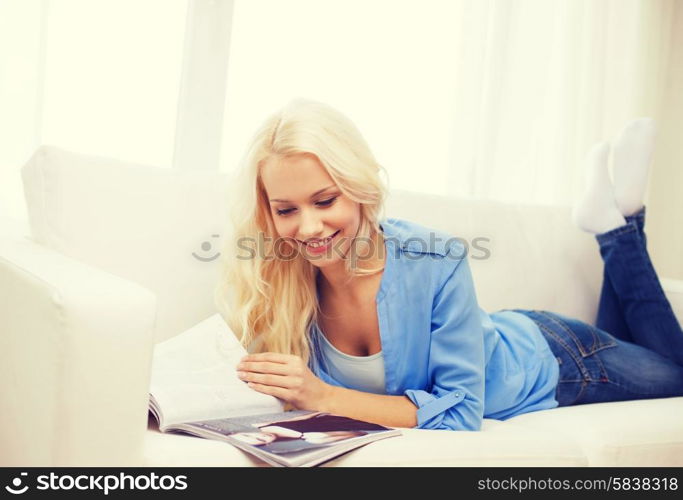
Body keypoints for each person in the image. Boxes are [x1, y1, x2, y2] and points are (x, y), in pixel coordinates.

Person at [216, 98, 683, 431]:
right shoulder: (279, 279)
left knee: (678, 373)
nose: (309, 227)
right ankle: (617, 212)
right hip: (499, 336)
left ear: (359, 189)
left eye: (324, 200)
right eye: (286, 210)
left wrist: (323, 396)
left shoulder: (435, 258)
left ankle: (621, 230)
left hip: (556, 358)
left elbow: (459, 414)